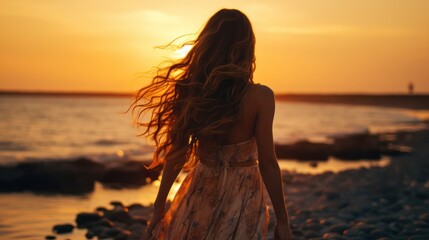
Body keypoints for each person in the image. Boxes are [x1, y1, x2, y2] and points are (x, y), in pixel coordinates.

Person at [130, 8, 293, 240]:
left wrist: (159, 207)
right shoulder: (261, 97)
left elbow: (177, 154)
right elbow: (268, 163)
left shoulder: (193, 92)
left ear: (208, 45)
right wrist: (283, 223)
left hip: (201, 190)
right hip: (243, 194)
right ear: (247, 47)